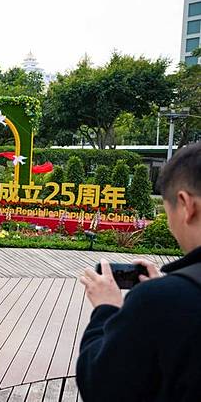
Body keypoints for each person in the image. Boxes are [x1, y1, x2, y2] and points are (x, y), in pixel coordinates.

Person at [77, 141, 201, 401]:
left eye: (168, 213)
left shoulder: (159, 301)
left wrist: (106, 309)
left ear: (186, 205)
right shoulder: (166, 298)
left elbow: (101, 386)